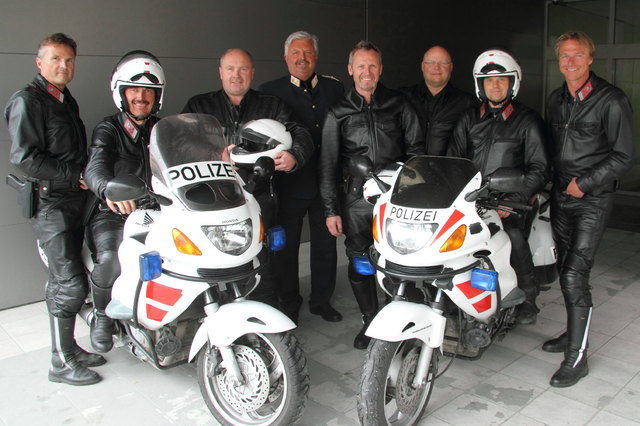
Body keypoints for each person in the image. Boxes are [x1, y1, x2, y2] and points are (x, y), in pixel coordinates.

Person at [4, 33, 104, 385]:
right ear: (39, 62)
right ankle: (60, 362)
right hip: (51, 206)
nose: (64, 66)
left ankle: (69, 349)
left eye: (69, 60)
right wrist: (75, 174)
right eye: (56, 59)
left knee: (73, 278)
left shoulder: (63, 100)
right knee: (70, 284)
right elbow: (25, 159)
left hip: (75, 203)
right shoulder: (28, 101)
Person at [182, 48, 314, 307]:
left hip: (262, 193)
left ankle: (279, 311)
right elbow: (182, 143)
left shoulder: (271, 105)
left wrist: (294, 156)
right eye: (230, 69)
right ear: (220, 73)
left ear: (252, 73)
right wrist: (214, 154)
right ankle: (219, 311)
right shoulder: (199, 106)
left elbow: (302, 133)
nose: (236, 75)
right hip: (215, 196)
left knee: (268, 257)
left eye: (243, 69)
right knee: (220, 255)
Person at [319, 41, 425, 349]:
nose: (367, 72)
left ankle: (401, 317)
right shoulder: (338, 111)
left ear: (380, 69)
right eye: (361, 66)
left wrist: (414, 193)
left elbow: (417, 153)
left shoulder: (399, 104)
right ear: (351, 70)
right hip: (355, 202)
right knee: (360, 260)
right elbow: (327, 164)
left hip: (397, 198)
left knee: (399, 259)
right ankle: (369, 318)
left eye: (373, 66)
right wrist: (330, 210)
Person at [544, 31, 634, 387]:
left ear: (591, 58)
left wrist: (585, 183)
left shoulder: (611, 100)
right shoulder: (555, 100)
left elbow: (624, 155)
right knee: (566, 269)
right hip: (560, 196)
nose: (570, 62)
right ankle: (572, 335)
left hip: (592, 199)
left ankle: (576, 359)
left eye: (577, 55)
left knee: (573, 275)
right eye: (564, 56)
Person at [448, 49, 548, 325]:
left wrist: (512, 199)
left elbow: (539, 169)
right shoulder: (467, 119)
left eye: (501, 80)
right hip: (471, 200)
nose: (495, 85)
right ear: (480, 85)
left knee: (513, 237)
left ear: (512, 83)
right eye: (489, 81)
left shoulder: (527, 120)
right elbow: (453, 161)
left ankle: (528, 297)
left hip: (510, 203)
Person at [259, 31, 344, 324]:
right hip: (289, 184)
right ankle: (289, 301)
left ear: (316, 57)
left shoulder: (334, 89)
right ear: (285, 58)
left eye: (307, 53)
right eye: (295, 53)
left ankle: (322, 300)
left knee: (326, 247)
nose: (302, 58)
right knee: (286, 249)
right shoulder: (269, 91)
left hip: (326, 184)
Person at [84, 51, 166, 353]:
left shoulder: (163, 128)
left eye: (148, 91)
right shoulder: (109, 129)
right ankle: (102, 315)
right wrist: (107, 190)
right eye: (134, 89)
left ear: (157, 96)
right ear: (122, 93)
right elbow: (94, 167)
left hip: (157, 209)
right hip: (115, 210)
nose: (141, 96)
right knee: (110, 260)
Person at [399, 45, 476, 155]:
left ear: (451, 67)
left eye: (443, 63)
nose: (436, 67)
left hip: (447, 170)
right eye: (430, 63)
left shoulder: (467, 103)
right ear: (422, 66)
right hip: (408, 170)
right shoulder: (403, 97)